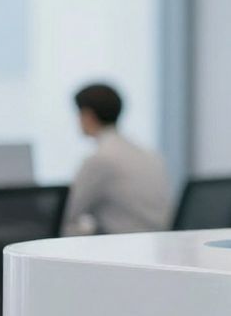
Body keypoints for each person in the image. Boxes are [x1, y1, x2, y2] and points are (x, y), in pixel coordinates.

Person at [67, 83, 171, 234]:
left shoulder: (101, 159)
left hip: (123, 242)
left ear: (88, 116)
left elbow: (68, 211)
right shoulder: (150, 155)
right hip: (156, 240)